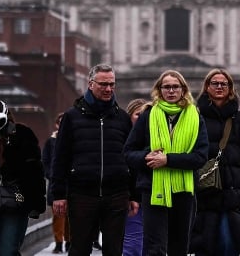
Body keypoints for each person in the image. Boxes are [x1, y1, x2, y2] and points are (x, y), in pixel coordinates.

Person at [50, 64, 138, 256]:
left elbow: (130, 160)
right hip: (82, 194)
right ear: (90, 84)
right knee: (80, 249)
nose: (108, 89)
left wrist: (134, 195)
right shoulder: (72, 117)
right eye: (103, 84)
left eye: (112, 85)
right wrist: (58, 194)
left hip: (117, 194)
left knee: (114, 250)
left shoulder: (122, 118)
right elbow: (60, 158)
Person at [124, 73, 208, 256]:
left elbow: (200, 157)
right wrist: (148, 157)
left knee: (179, 247)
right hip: (153, 189)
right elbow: (129, 152)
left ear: (183, 90)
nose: (171, 91)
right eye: (166, 87)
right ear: (159, 90)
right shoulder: (147, 116)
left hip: (183, 192)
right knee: (155, 247)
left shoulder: (195, 117)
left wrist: (168, 160)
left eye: (175, 87)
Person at [189, 68, 240, 256]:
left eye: (223, 84)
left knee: (230, 244)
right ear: (207, 87)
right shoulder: (195, 116)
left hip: (233, 191)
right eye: (215, 83)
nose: (219, 87)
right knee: (205, 245)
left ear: (230, 89)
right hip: (205, 191)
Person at [0, 98, 46, 256]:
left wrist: (35, 204)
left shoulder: (21, 135)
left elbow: (34, 171)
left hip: (15, 202)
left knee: (8, 251)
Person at [121, 99, 149, 256]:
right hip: (132, 199)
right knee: (133, 246)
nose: (143, 118)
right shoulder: (123, 141)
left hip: (151, 197)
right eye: (139, 114)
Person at [42, 113, 69, 254]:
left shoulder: (73, 140)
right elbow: (45, 161)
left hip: (71, 184)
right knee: (58, 217)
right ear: (56, 125)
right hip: (55, 184)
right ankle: (58, 243)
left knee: (71, 217)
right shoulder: (50, 142)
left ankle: (69, 242)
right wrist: (51, 175)